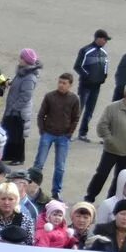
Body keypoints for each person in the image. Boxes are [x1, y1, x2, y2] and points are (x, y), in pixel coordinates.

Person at [33, 72, 80, 200]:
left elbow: (76, 118)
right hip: (48, 133)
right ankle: (33, 188)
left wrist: (69, 134)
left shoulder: (74, 99)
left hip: (63, 136)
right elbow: (41, 115)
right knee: (39, 164)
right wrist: (42, 131)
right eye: (60, 82)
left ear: (70, 85)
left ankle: (56, 191)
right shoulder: (49, 96)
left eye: (64, 83)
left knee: (60, 167)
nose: (61, 85)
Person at [84, 85, 126, 203]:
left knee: (120, 179)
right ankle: (90, 196)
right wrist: (110, 140)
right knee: (101, 174)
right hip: (111, 150)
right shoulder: (112, 108)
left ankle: (112, 200)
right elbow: (102, 126)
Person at [2, 49, 41, 165]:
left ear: (26, 61)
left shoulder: (29, 77)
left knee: (18, 136)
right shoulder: (22, 72)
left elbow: (25, 96)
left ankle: (18, 158)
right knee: (9, 132)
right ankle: (8, 155)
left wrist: (15, 107)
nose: (19, 59)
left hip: (19, 111)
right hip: (14, 108)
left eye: (21, 58)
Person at [75, 29, 112, 141]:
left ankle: (82, 134)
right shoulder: (85, 50)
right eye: (105, 39)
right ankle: (68, 132)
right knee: (78, 110)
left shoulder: (104, 53)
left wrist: (103, 77)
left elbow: (105, 67)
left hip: (96, 87)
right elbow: (78, 66)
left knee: (89, 111)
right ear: (98, 38)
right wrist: (88, 77)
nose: (106, 42)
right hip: (85, 86)